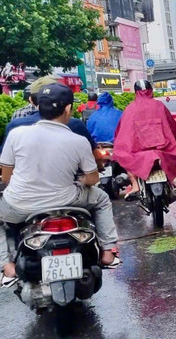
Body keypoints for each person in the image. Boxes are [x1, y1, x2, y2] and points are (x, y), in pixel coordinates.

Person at [0, 84, 120, 283]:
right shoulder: (77, 140)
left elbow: (6, 177)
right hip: (67, 201)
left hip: (20, 205)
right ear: (67, 109)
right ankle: (108, 251)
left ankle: (7, 266)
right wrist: (80, 180)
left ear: (37, 107)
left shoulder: (16, 135)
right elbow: (93, 179)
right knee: (102, 199)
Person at [113, 80, 176, 200]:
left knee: (123, 154)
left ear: (136, 92)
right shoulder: (159, 106)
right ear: (151, 91)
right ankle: (171, 183)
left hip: (138, 154)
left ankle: (135, 185)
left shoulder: (130, 108)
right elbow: (171, 125)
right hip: (162, 150)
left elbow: (121, 131)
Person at [4, 77, 95, 152]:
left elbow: (5, 162)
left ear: (31, 100)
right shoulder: (75, 125)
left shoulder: (14, 126)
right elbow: (93, 157)